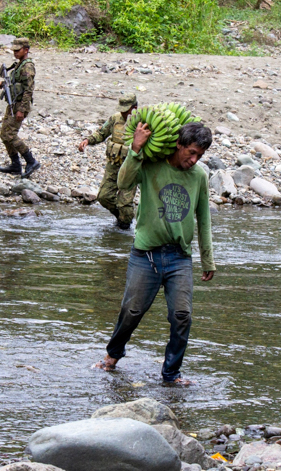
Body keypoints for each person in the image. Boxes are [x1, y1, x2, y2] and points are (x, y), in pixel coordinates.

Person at [94, 121, 217, 384]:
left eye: (200, 155)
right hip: (146, 255)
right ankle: (113, 355)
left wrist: (207, 258)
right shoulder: (151, 165)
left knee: (182, 316)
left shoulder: (199, 177)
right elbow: (123, 182)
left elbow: (203, 218)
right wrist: (135, 149)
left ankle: (171, 374)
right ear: (178, 144)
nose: (194, 160)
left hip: (179, 258)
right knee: (132, 312)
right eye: (191, 152)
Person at [78, 93, 139, 229]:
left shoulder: (142, 123)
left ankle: (125, 226)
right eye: (121, 109)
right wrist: (88, 140)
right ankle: (121, 218)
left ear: (134, 108)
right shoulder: (115, 119)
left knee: (125, 203)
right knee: (104, 196)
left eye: (126, 109)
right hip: (114, 165)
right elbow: (101, 133)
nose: (123, 112)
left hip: (130, 169)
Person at [0, 37, 40, 178]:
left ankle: (31, 161)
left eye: (17, 50)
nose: (15, 53)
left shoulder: (27, 67)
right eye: (14, 50)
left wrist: (22, 109)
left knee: (10, 135)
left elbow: (28, 90)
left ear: (26, 50)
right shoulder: (19, 65)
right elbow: (15, 83)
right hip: (13, 103)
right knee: (4, 134)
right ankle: (15, 164)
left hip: (19, 105)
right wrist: (2, 83)